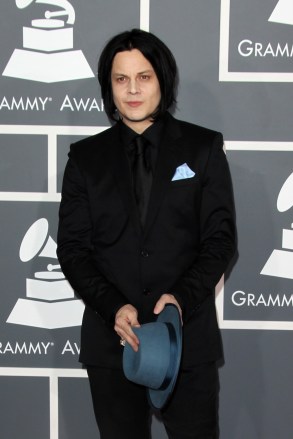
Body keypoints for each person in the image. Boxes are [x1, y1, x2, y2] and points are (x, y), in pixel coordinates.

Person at [57, 28, 236, 439]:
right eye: (121, 79)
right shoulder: (85, 158)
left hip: (187, 340)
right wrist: (114, 307)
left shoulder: (202, 148)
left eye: (144, 77)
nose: (133, 89)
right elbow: (73, 249)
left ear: (163, 80)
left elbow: (220, 239)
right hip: (111, 342)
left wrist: (181, 300)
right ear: (109, 86)